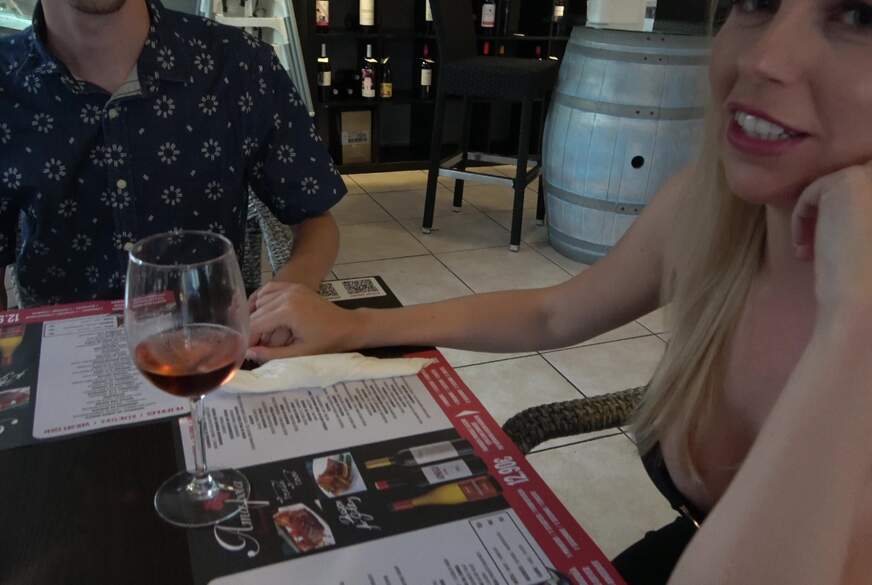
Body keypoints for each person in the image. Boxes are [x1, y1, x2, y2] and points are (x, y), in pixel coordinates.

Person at [247, 0, 872, 583]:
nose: (764, 58)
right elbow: (554, 314)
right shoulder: (711, 209)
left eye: (859, 16)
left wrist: (852, 328)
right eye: (758, 2)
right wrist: (354, 325)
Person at [0, 0, 345, 310]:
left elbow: (315, 219)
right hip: (55, 353)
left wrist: (290, 293)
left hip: (207, 344)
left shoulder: (240, 65)